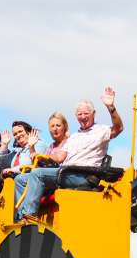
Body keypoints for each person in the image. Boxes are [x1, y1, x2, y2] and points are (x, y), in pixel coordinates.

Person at [13, 87, 123, 221]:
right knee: (20, 180)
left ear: (93, 113)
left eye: (86, 113)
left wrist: (111, 107)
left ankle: (29, 216)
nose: (83, 117)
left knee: (38, 174)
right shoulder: (74, 137)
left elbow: (118, 128)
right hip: (66, 173)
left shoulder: (101, 130)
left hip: (83, 175)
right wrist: (37, 154)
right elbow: (59, 157)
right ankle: (20, 218)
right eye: (79, 114)